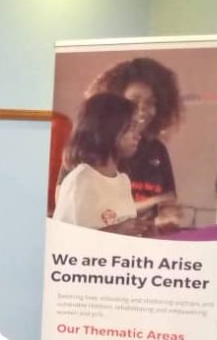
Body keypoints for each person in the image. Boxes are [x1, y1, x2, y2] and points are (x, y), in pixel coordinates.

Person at [84, 57, 183, 219]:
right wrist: (153, 202)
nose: (142, 110)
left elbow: (168, 202)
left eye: (150, 103)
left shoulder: (157, 150)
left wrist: (167, 216)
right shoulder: (89, 147)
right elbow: (87, 210)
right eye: (133, 101)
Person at [53, 92, 142, 232]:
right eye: (131, 127)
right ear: (108, 128)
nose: (138, 135)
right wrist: (117, 230)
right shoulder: (80, 180)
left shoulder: (124, 181)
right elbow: (65, 238)